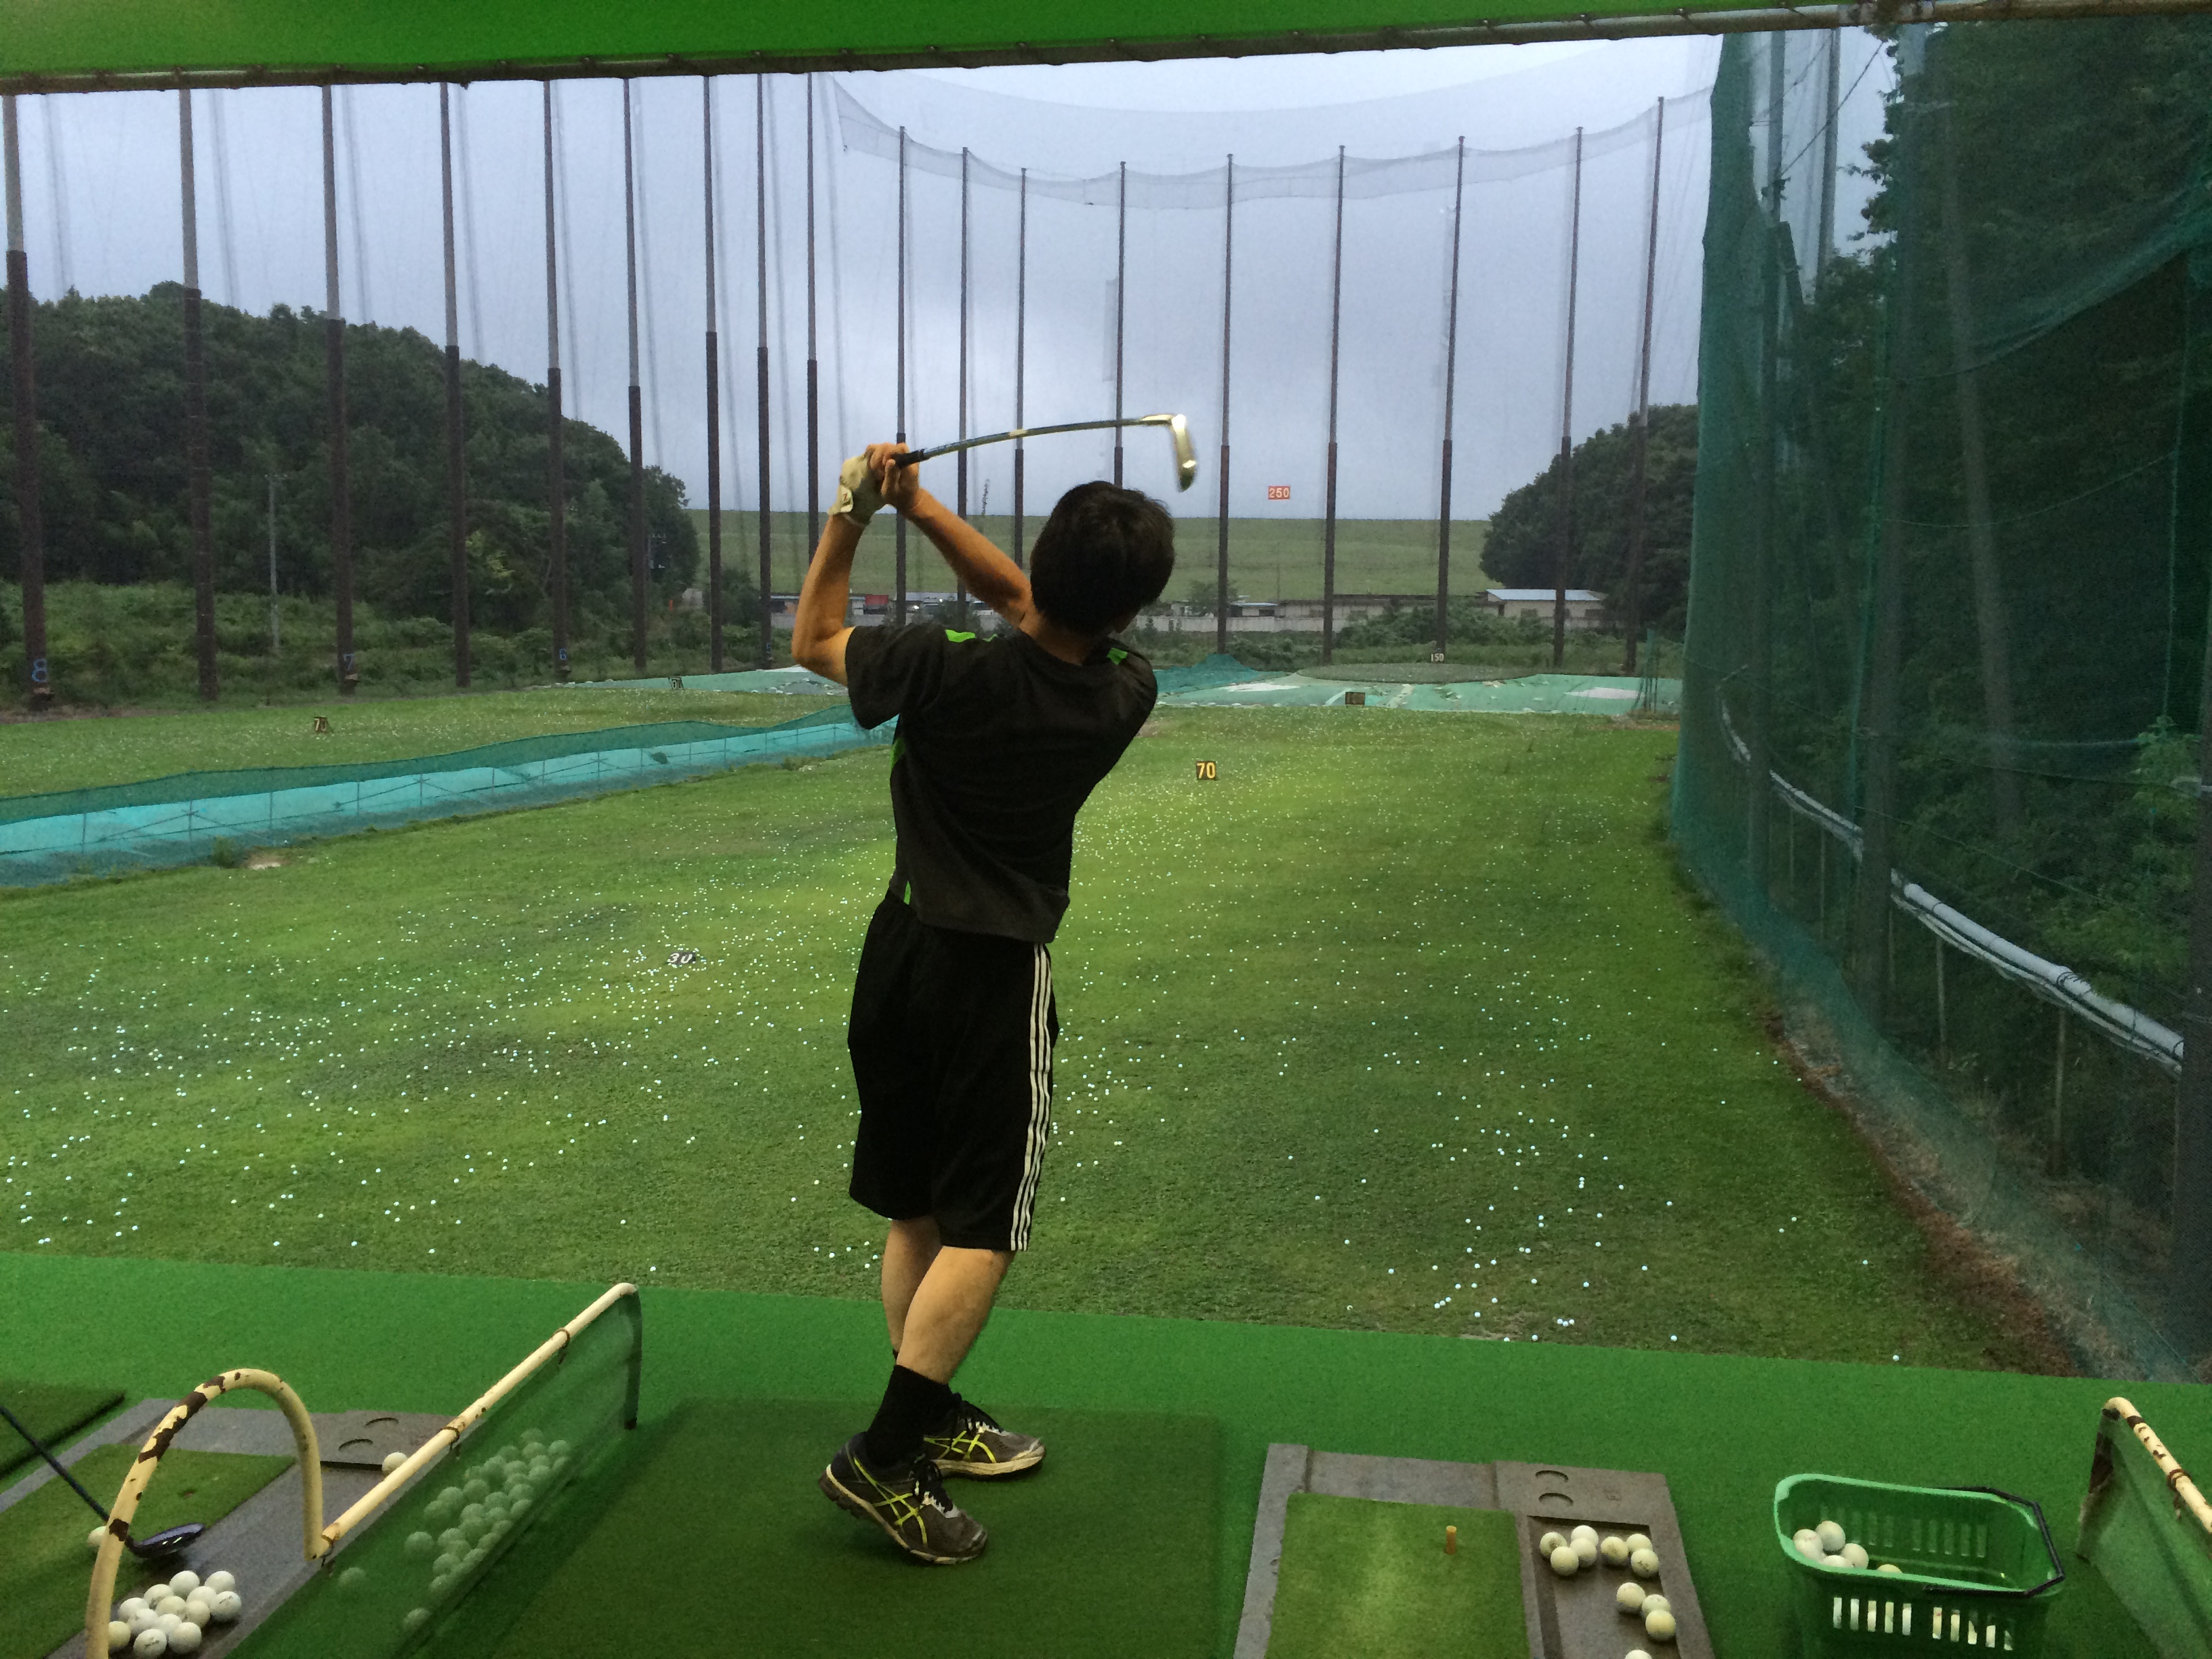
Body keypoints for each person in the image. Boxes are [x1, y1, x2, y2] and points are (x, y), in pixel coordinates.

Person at [790, 443, 1175, 1565]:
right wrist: (913, 503)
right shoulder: (1125, 691)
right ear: (1130, 609)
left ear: (1041, 563)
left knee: (919, 1209)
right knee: (983, 1230)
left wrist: (860, 511)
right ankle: (886, 1456)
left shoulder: (935, 665)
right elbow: (1032, 608)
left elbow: (814, 638)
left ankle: (925, 1410)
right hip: (995, 979)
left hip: (899, 957)